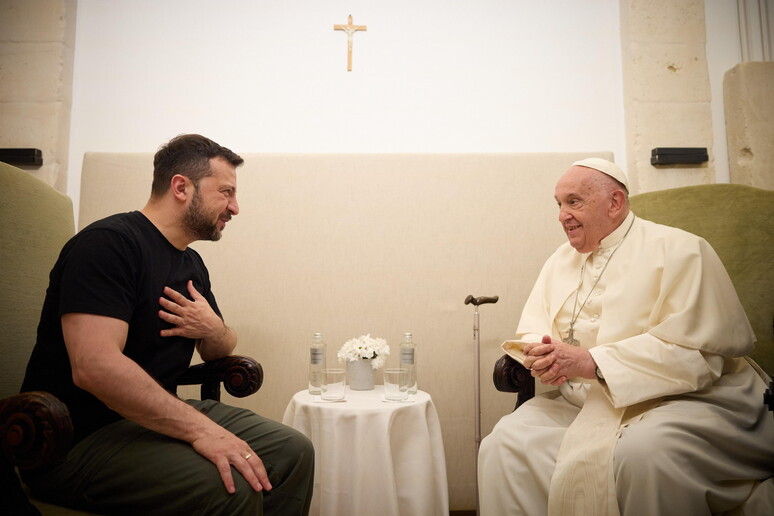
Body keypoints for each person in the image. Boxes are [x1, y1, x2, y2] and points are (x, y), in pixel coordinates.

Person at [20, 134, 314, 515]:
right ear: (181, 187)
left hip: (150, 420)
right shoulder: (108, 245)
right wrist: (202, 430)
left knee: (295, 451)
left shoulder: (191, 263)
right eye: (226, 192)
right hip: (76, 438)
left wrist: (212, 329)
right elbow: (95, 367)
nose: (235, 208)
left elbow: (219, 349)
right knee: (232, 487)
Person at [478, 158, 774, 515]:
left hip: (684, 401)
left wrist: (592, 362)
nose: (561, 215)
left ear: (615, 202)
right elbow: (535, 331)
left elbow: (698, 358)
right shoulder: (560, 260)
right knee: (505, 443)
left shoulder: (681, 250)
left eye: (574, 202)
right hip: (585, 404)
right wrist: (541, 356)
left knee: (646, 454)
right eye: (558, 204)